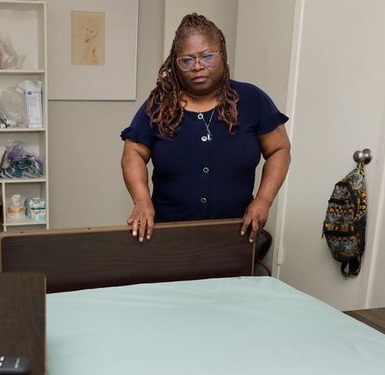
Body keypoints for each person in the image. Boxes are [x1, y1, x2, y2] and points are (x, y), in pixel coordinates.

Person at [121, 13, 291, 244]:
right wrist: (141, 201)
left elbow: (279, 149)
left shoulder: (252, 100)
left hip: (236, 232)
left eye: (207, 57)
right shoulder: (160, 105)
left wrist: (264, 200)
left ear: (222, 55)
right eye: (187, 60)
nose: (198, 67)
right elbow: (133, 153)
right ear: (176, 63)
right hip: (168, 234)